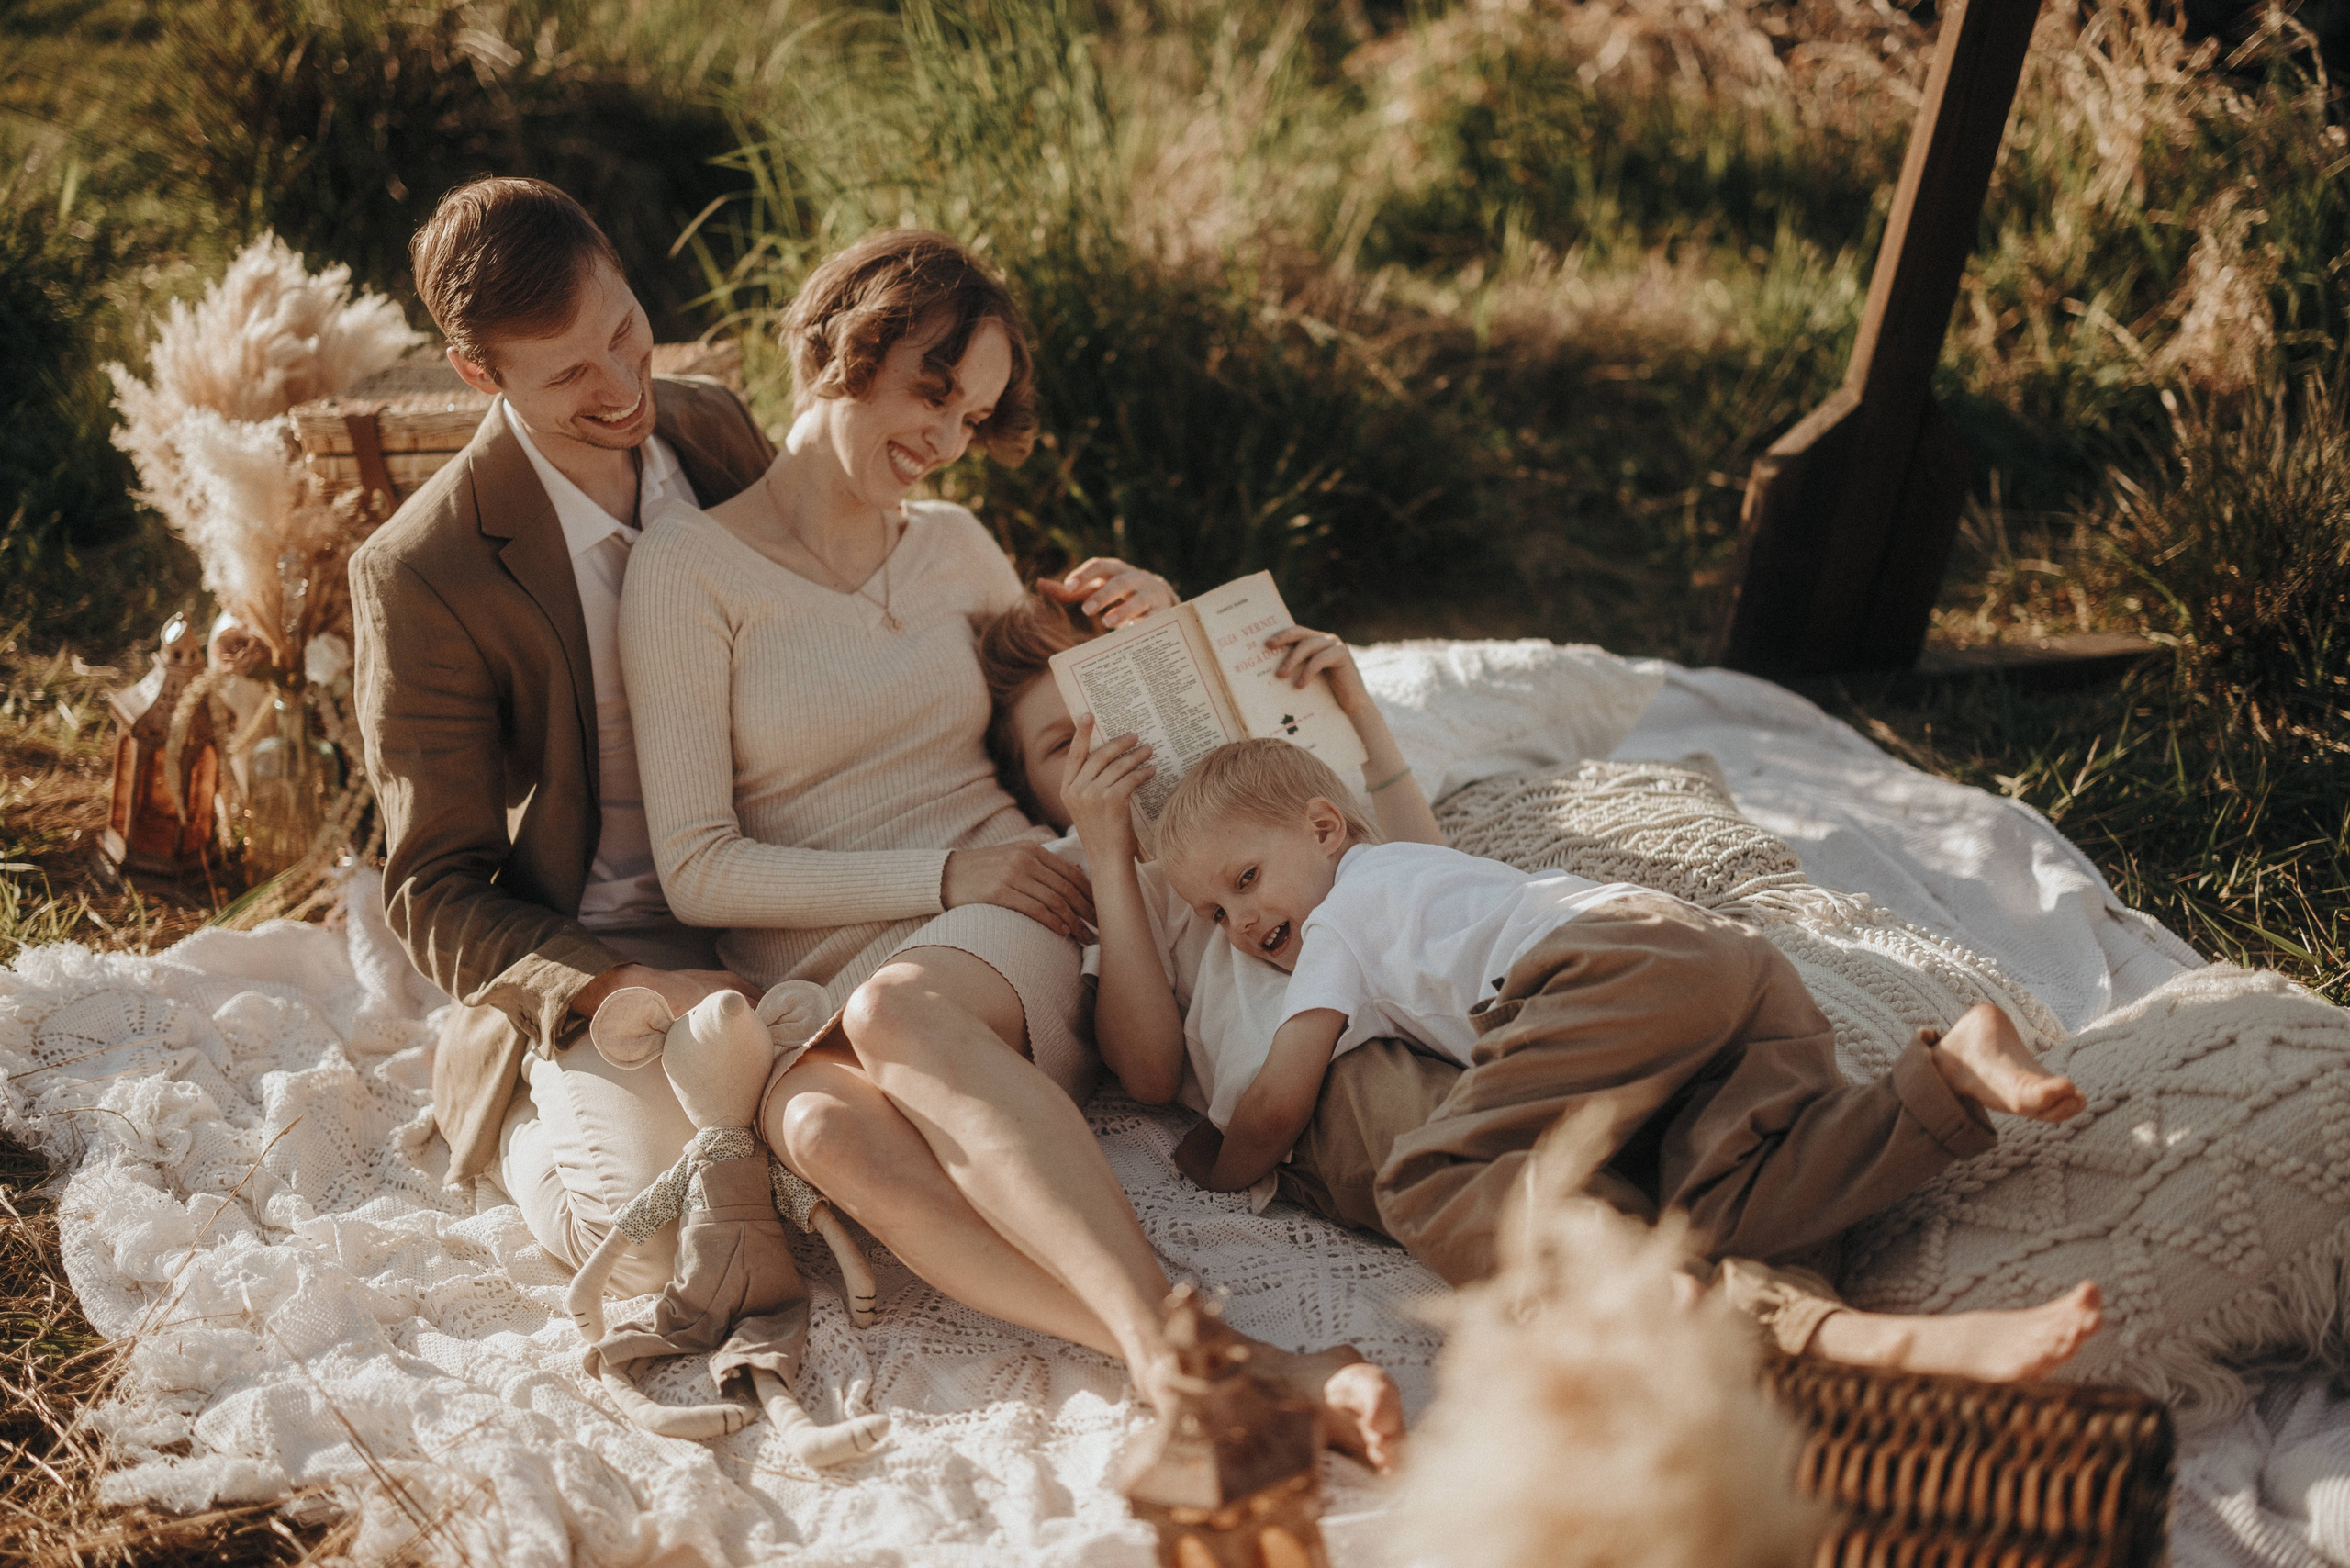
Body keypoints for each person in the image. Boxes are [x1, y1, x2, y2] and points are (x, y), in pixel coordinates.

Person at [616, 228, 1403, 1464]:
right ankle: (1228, 1363)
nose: (944, 438)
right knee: (817, 1130)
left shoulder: (960, 546)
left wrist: (1151, 623)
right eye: (932, 389)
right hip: (842, 960)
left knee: (904, 1013)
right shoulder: (687, 571)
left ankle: (1172, 1363)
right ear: (841, 347)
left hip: (1011, 921)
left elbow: (1075, 707)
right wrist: (929, 877)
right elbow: (697, 869)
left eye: (972, 415)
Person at [983, 606, 2106, 1382]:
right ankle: (1923, 1114)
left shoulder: (1303, 861)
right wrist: (1103, 836)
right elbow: (1144, 1069)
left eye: (1102, 716)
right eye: (1057, 744)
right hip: (1560, 1011)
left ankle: (1735, 1329)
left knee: (1459, 1181)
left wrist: (1359, 715)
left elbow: (1387, 872)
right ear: (1026, 783)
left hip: (1549, 997)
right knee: (1695, 1173)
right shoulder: (1121, 873)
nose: (1101, 751)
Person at [352, 176, 789, 1294]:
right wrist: (621, 985)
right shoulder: (421, 572)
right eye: (569, 374)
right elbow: (434, 891)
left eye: (625, 332)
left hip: (785, 890)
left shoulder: (712, 426)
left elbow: (838, 613)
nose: (623, 386)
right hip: (608, 951)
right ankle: (510, 1108)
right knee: (648, 1248)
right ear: (476, 374)